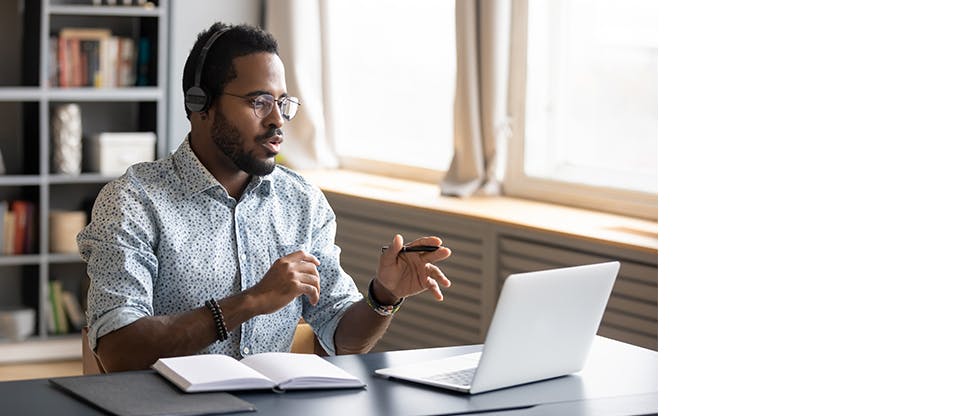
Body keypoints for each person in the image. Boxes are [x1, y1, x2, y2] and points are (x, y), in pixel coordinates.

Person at [77, 22, 452, 372]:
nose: (277, 121)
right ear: (200, 104)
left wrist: (384, 295)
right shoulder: (133, 202)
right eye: (258, 102)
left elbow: (341, 336)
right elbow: (118, 351)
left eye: (283, 103)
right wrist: (252, 301)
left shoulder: (301, 202)